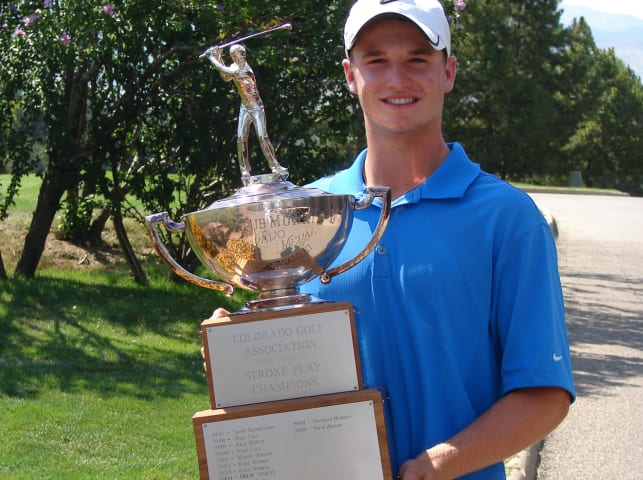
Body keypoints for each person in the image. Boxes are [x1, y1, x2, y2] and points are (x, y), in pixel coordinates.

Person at [207, 0, 575, 478]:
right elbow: (290, 367)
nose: (397, 79)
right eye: (376, 60)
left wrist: (441, 464)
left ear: (449, 72)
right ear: (350, 74)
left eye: (418, 58)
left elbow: (544, 394)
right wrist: (238, 347)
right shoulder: (308, 213)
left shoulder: (507, 219)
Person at [205, 44, 289, 185]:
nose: (240, 57)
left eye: (241, 54)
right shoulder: (234, 67)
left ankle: (276, 166)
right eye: (236, 55)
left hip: (256, 107)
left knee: (262, 136)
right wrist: (218, 56)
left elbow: (223, 69)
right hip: (245, 107)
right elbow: (226, 77)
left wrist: (212, 57)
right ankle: (244, 170)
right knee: (240, 138)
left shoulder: (244, 69)